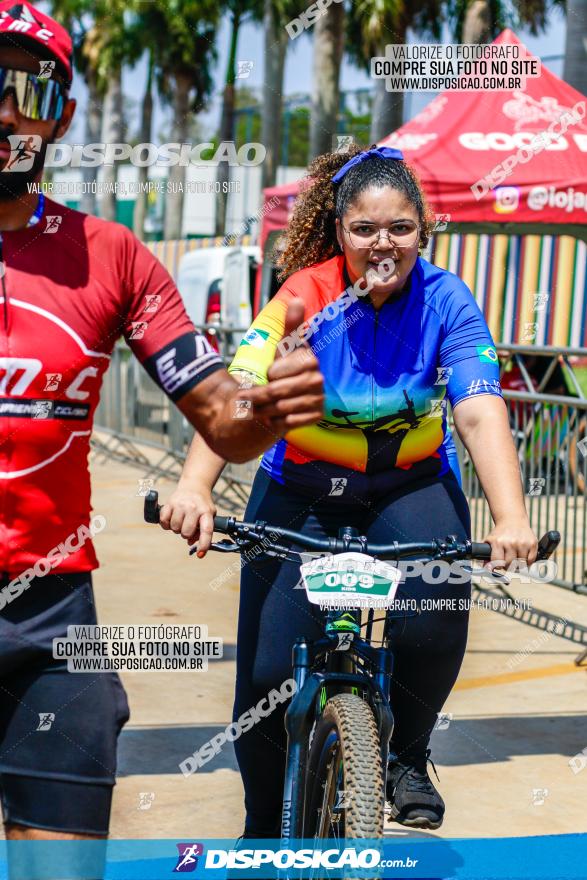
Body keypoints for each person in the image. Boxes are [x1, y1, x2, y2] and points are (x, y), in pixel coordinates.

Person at [0, 0, 323, 857]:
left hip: (49, 623)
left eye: (25, 87)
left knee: (58, 869)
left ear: (59, 116)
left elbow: (221, 413)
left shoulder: (110, 256)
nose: (3, 107)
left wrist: (267, 408)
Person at [163, 144, 539, 834]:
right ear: (339, 232)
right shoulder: (304, 295)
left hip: (408, 485)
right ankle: (259, 827)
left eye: (399, 227)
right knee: (266, 679)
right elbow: (239, 394)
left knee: (433, 613)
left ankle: (401, 756)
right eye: (364, 229)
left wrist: (510, 517)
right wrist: (193, 488)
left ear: (422, 230)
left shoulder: (446, 298)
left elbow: (479, 408)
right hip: (302, 489)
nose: (382, 243)